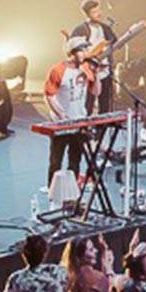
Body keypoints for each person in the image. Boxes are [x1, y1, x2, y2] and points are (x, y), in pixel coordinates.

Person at [44, 35, 99, 191]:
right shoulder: (58, 70)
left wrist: (97, 75)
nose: (86, 53)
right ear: (72, 52)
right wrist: (60, 114)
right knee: (56, 159)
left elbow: (96, 92)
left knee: (75, 159)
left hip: (79, 120)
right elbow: (49, 95)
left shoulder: (86, 68)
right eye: (82, 50)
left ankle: (72, 190)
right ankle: (52, 191)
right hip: (61, 123)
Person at [71, 0, 121, 115]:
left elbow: (115, 43)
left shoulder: (105, 28)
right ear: (87, 14)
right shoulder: (81, 29)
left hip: (105, 71)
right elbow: (73, 48)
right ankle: (85, 130)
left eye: (99, 10)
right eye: (94, 12)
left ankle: (100, 132)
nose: (99, 14)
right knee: (88, 104)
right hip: (88, 72)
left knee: (105, 107)